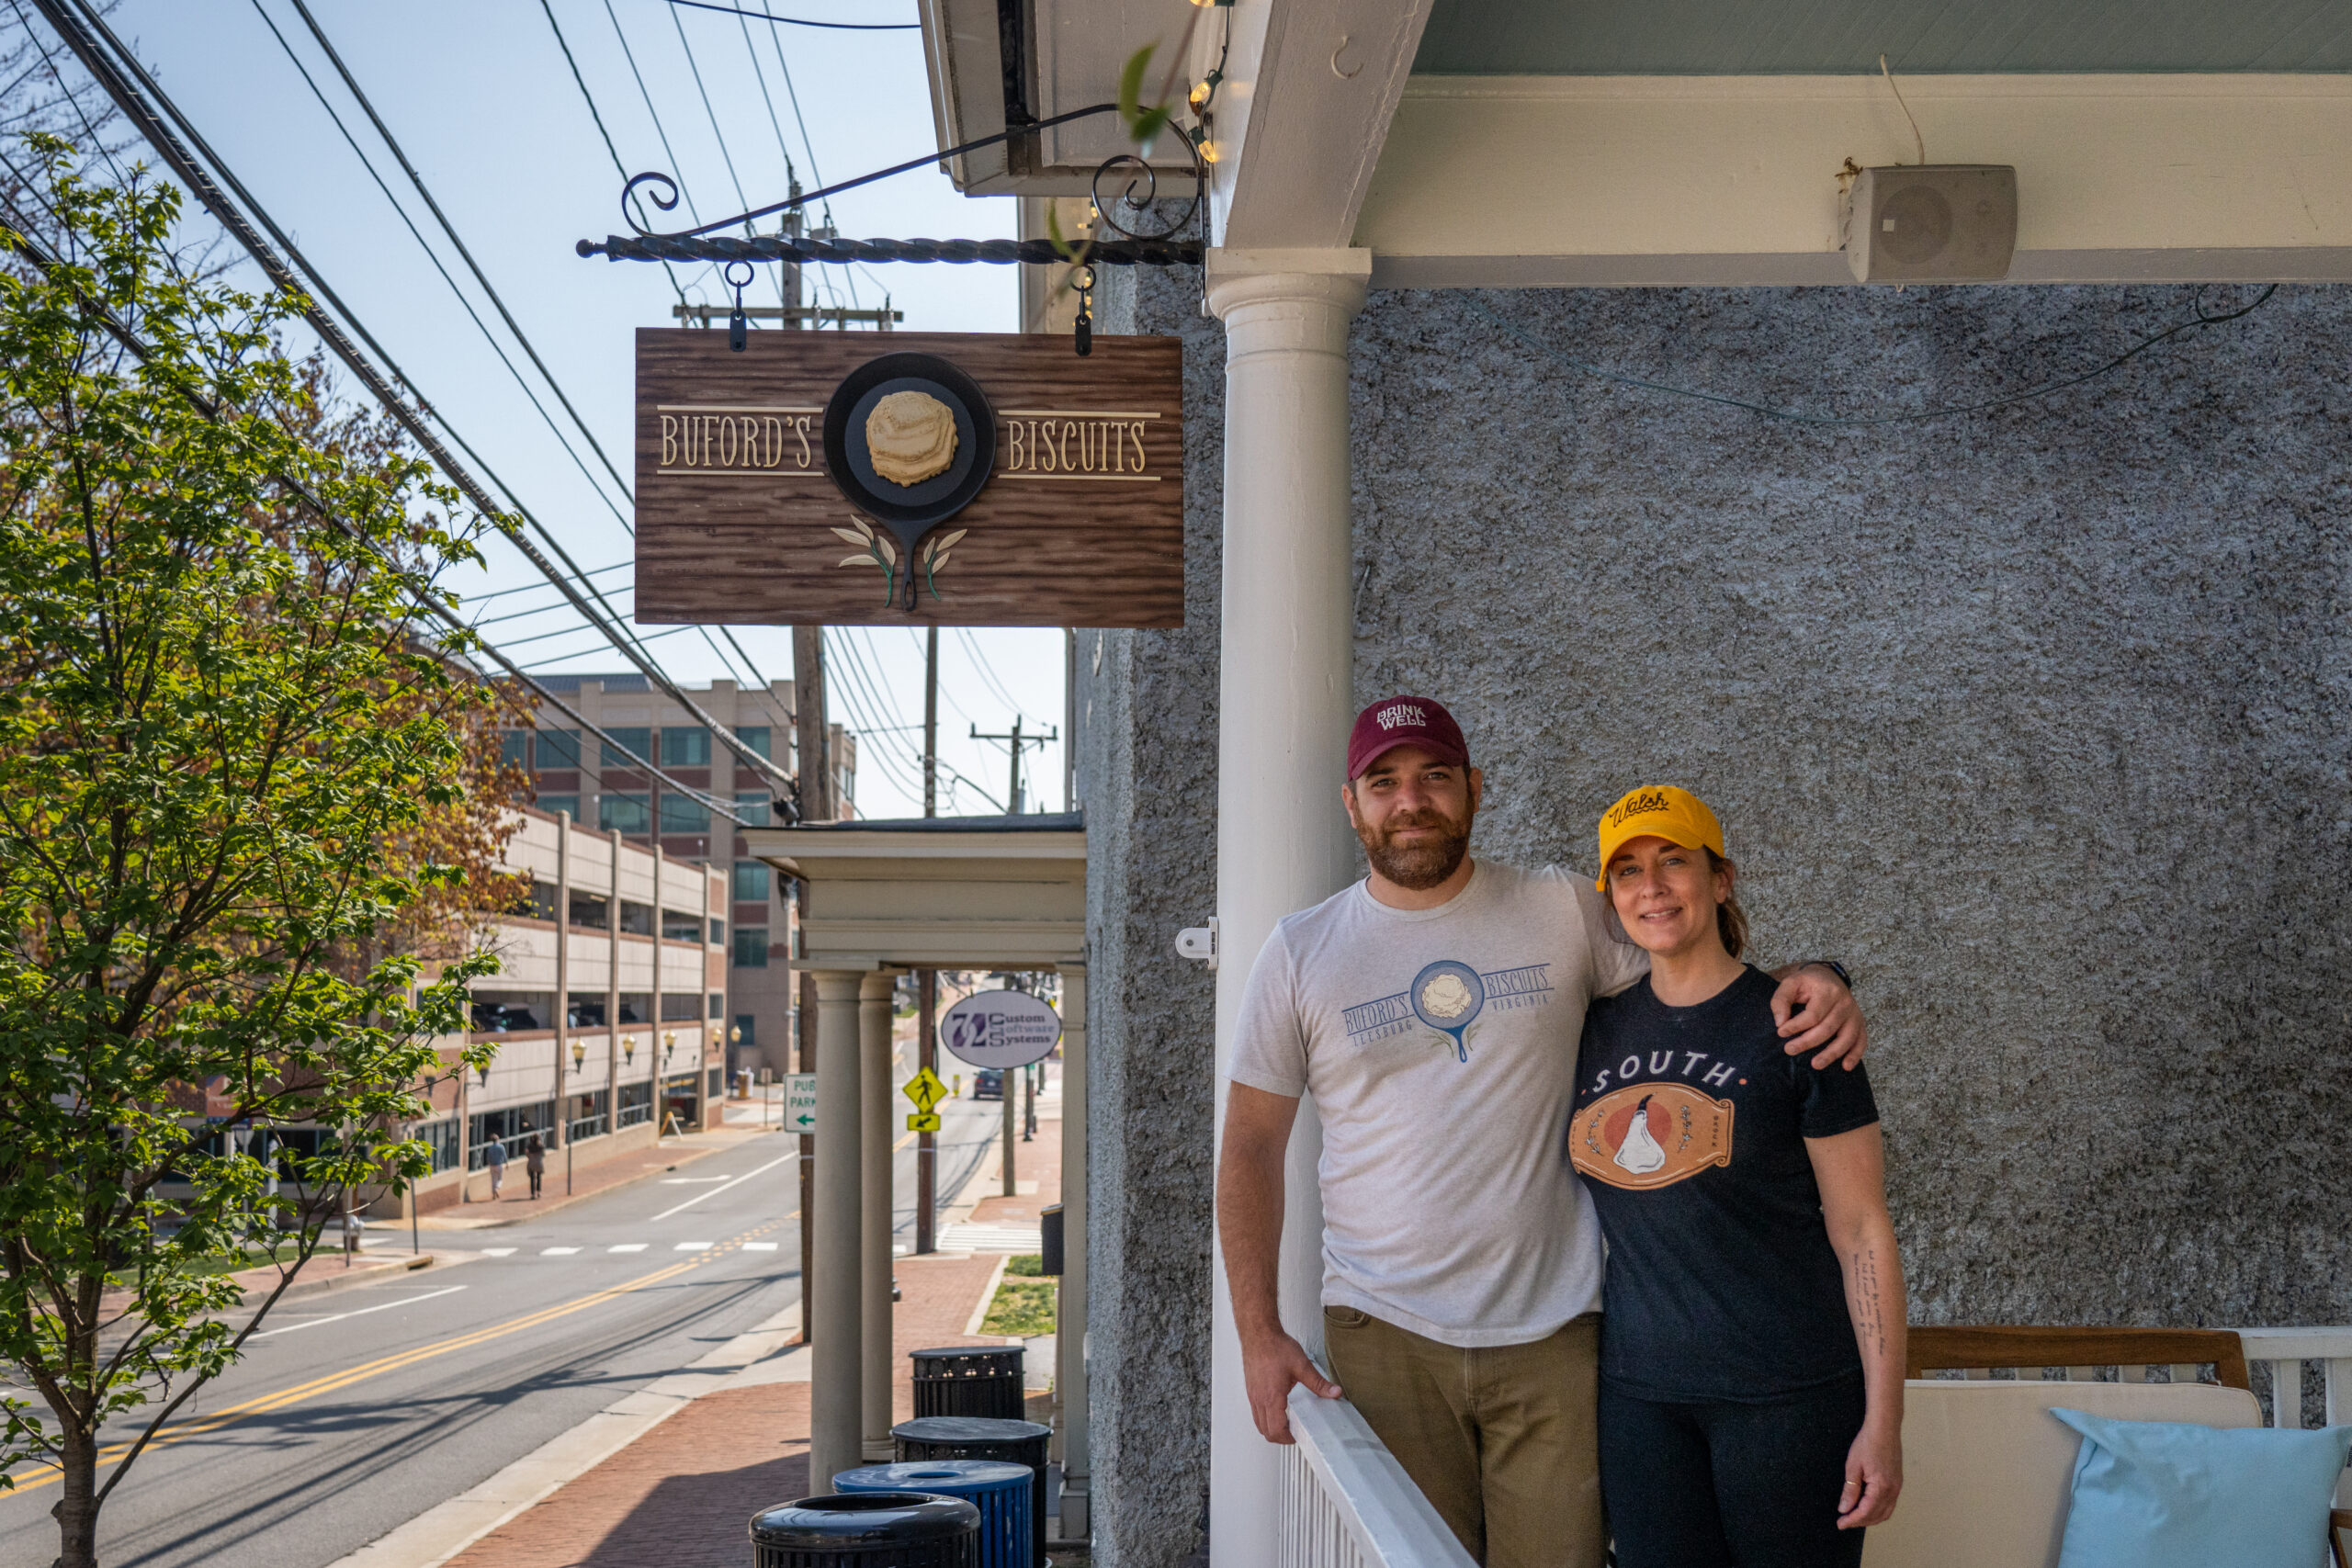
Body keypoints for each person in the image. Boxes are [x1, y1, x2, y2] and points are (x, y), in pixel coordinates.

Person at [1219, 696, 1869, 1568]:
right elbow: (1252, 1145)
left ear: (1475, 790)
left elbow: (1699, 967)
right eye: (1384, 782)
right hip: (1387, 1333)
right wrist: (1258, 1334)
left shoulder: (1562, 908)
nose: (1410, 800)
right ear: (1353, 805)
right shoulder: (1302, 950)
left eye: (1435, 777)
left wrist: (1818, 976)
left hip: (1555, 1335)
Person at [1574, 785, 1905, 1567]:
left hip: (1789, 1397)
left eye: (1673, 861)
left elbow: (1861, 1228)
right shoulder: (1592, 1028)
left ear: (1721, 879)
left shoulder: (1799, 1023)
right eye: (1627, 871)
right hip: (1641, 1401)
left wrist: (1885, 1420)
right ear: (1611, 897)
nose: (1651, 886)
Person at [483, 1135, 507, 1199]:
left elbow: (488, 1157)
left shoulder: (490, 1148)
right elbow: (504, 1156)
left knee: (493, 1180)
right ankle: (497, 1188)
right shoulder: (501, 1147)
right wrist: (507, 1163)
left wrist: (489, 1164)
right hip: (499, 1165)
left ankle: (494, 1194)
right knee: (499, 1179)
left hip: (492, 1165)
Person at [524, 1133, 546, 1200]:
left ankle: (533, 1193)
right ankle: (539, 1192)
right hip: (539, 1163)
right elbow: (543, 1155)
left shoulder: (529, 1146)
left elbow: (527, 1154)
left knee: (532, 1179)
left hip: (531, 1163)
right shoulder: (541, 1146)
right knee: (539, 1177)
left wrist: (531, 1157)